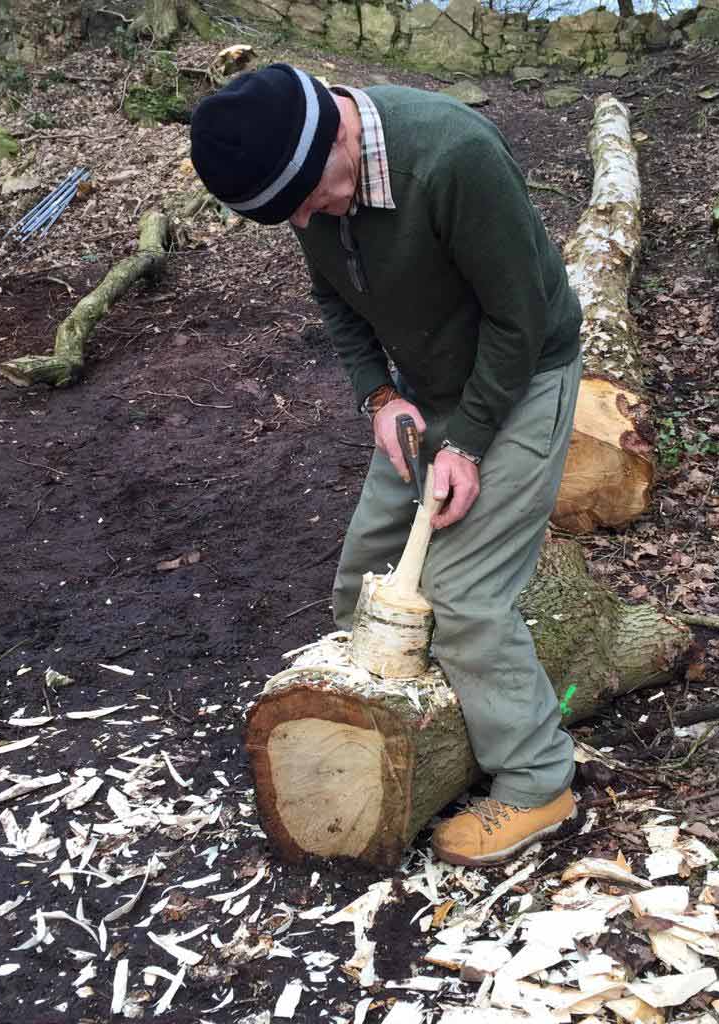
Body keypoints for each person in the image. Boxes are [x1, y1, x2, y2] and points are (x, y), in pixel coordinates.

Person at [190, 62, 584, 866]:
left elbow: (521, 316)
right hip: (426, 383)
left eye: (308, 199)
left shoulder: (451, 156)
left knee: (466, 601)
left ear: (337, 132)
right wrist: (379, 397)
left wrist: (469, 442)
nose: (305, 220)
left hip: (522, 375)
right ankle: (370, 722)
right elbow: (338, 298)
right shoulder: (309, 188)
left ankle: (540, 782)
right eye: (287, 215)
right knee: (364, 572)